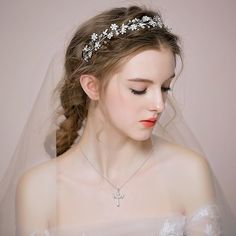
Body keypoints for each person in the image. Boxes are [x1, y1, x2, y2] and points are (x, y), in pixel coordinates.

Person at [0, 5, 235, 236]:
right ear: (92, 86)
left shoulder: (189, 171)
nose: (159, 105)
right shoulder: (38, 189)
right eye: (139, 89)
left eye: (165, 88)